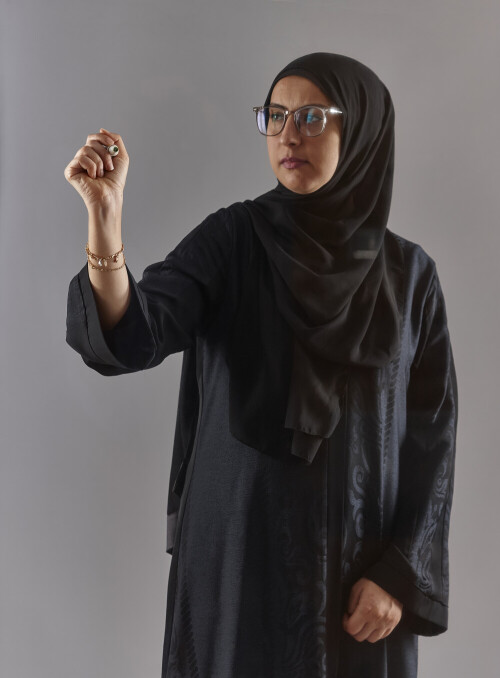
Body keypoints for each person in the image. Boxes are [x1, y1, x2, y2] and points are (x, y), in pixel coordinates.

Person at [64, 52, 458, 678]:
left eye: (310, 117)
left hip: (358, 584)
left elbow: (432, 441)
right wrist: (105, 221)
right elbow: (135, 332)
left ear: (360, 130)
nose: (287, 135)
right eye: (274, 117)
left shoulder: (409, 279)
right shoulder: (234, 241)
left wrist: (399, 573)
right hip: (237, 565)